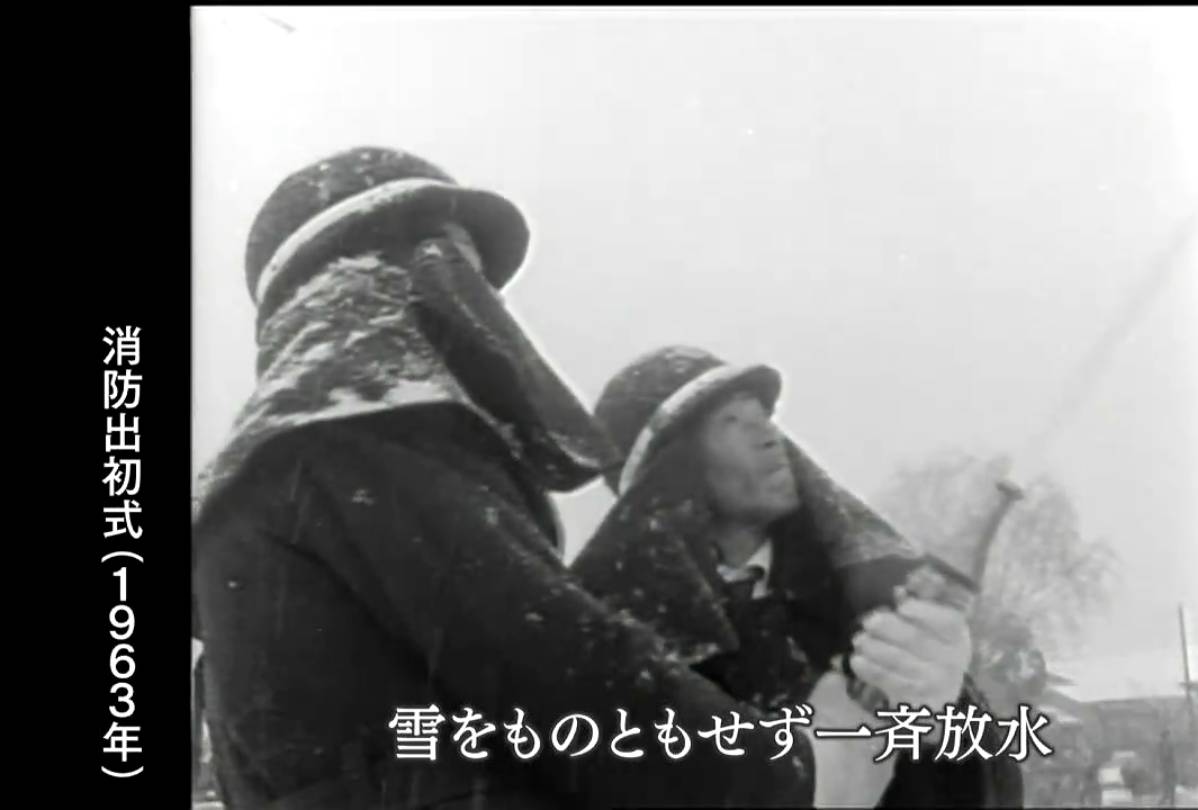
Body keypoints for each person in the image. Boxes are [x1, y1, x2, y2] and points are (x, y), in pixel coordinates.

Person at [192, 148, 852, 809]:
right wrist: (800, 772)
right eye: (460, 268)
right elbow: (563, 671)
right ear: (379, 278)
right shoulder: (362, 442)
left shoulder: (283, 472)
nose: (479, 301)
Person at [571, 346, 1026, 807]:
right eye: (732, 421)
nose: (770, 435)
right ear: (667, 475)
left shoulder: (870, 609)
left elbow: (994, 798)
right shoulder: (620, 657)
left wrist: (945, 722)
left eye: (764, 416)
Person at [1157, 728, 1178, 806]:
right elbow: (1167, 755)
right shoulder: (1167, 743)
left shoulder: (1165, 744)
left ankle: (1167, 798)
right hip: (1169, 767)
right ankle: (1169, 799)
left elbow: (1165, 755)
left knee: (1168, 783)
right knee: (1169, 783)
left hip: (1168, 767)